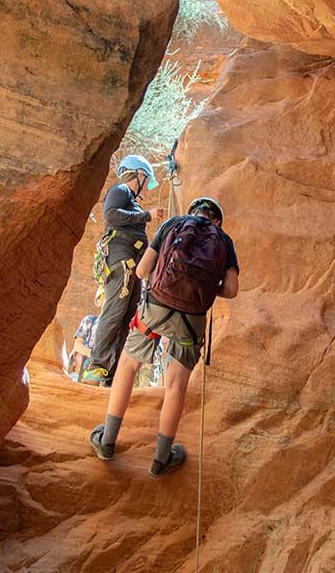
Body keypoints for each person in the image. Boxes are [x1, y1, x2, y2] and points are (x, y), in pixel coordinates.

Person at [89, 197, 239, 477]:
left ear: (192, 212)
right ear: (216, 220)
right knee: (175, 386)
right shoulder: (224, 240)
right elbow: (231, 289)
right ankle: (161, 460)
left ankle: (107, 441)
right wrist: (205, 290)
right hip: (192, 319)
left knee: (128, 365)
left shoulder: (173, 224)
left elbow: (142, 270)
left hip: (154, 308)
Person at [82, 155, 164, 386]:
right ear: (138, 174)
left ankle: (111, 372)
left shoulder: (132, 201)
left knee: (127, 315)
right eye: (145, 179)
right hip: (121, 261)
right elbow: (110, 214)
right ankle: (97, 367)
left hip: (133, 263)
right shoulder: (121, 191)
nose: (146, 185)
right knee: (114, 311)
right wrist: (146, 215)